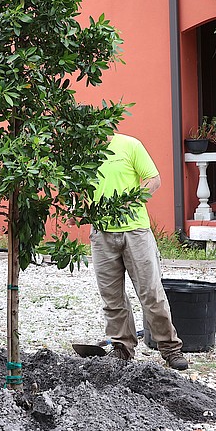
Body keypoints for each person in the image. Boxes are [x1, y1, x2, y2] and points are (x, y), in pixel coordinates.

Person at [90, 133, 189, 371]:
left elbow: (153, 180)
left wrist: (129, 202)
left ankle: (170, 349)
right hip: (101, 233)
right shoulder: (83, 154)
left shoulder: (130, 145)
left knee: (151, 294)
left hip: (135, 231)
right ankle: (122, 347)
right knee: (112, 298)